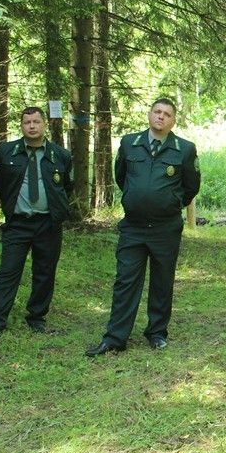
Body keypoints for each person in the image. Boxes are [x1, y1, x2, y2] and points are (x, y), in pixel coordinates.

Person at [86, 98, 201, 355]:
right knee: (125, 280)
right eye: (157, 112)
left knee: (162, 281)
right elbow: (121, 176)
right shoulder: (130, 143)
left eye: (167, 114)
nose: (161, 117)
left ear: (173, 121)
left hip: (165, 228)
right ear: (149, 115)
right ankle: (115, 337)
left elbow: (191, 186)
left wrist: (170, 203)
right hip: (133, 227)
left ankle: (157, 332)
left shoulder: (184, 149)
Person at [0, 106, 73, 340]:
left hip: (48, 224)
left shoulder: (60, 155)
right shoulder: (6, 152)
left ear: (44, 125)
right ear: (22, 126)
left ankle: (36, 317)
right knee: (8, 271)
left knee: (44, 272)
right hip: (18, 224)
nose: (32, 126)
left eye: (36, 122)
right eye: (27, 122)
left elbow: (66, 186)